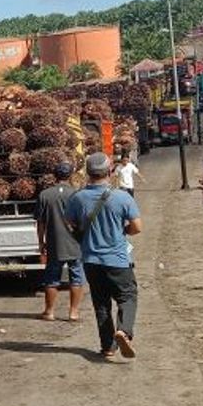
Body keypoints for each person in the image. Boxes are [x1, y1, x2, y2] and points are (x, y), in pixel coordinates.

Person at [66, 152, 143, 359]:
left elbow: (70, 224)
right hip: (117, 259)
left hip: (91, 261)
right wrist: (122, 231)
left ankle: (108, 347)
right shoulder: (121, 197)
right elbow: (137, 227)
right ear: (110, 171)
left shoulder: (77, 198)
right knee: (127, 296)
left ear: (87, 173)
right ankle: (124, 331)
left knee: (101, 304)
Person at [34, 161, 85, 321]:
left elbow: (40, 222)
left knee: (51, 278)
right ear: (70, 175)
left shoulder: (45, 195)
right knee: (76, 277)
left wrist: (41, 242)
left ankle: (49, 312)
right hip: (75, 243)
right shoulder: (77, 195)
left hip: (54, 242)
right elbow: (83, 220)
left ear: (55, 176)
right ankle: (73, 312)